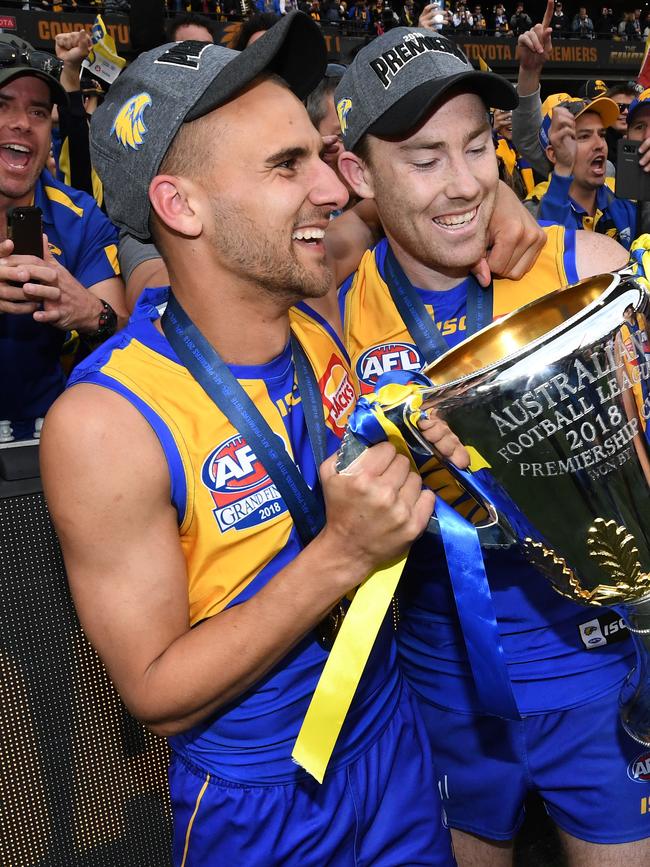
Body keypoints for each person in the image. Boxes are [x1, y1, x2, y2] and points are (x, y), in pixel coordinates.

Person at [41, 14, 466, 867]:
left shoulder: (317, 330)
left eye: (318, 153)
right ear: (180, 205)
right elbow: (155, 693)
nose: (334, 190)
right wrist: (343, 552)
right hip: (259, 801)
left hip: (392, 739)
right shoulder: (104, 422)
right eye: (287, 165)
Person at [333, 25, 650, 867]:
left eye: (477, 146)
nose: (465, 182)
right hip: (440, 689)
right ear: (359, 175)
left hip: (600, 678)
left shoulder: (588, 269)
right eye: (425, 157)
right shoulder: (330, 310)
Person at [0, 34, 126, 441]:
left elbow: (128, 339)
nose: (22, 122)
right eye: (2, 105)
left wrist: (89, 311)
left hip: (53, 437)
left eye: (38, 111)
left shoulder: (81, 218)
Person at [526, 96, 637, 248]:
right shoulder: (531, 212)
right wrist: (563, 168)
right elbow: (553, 253)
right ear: (553, 154)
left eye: (602, 135)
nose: (599, 144)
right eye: (584, 136)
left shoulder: (624, 204)